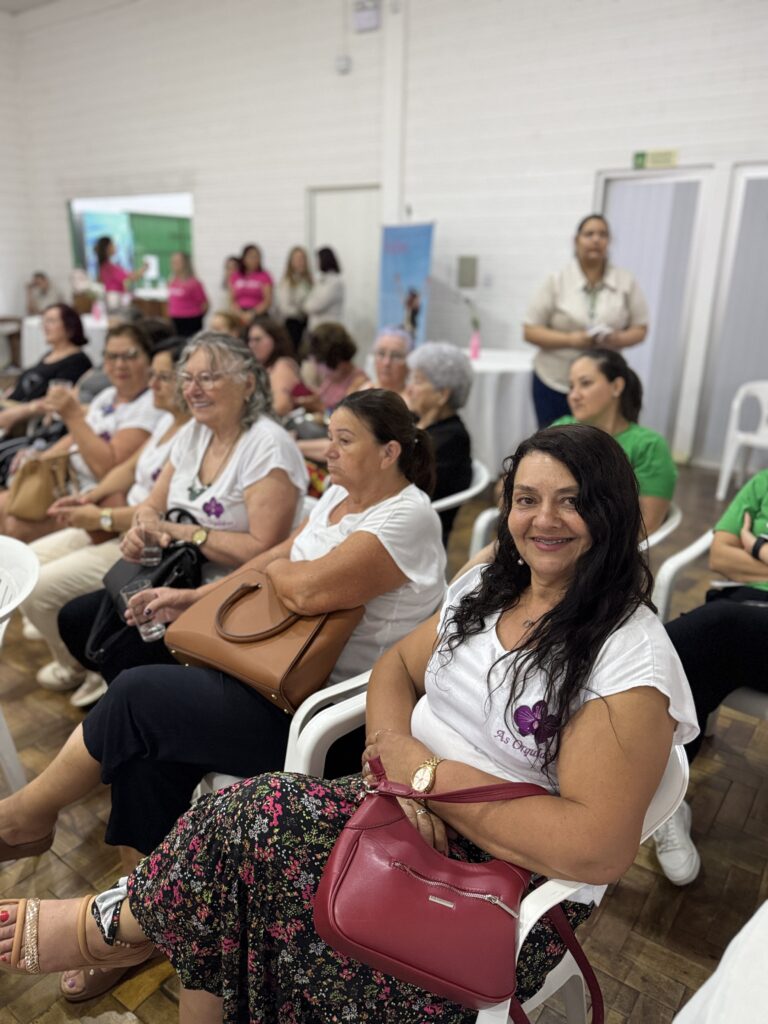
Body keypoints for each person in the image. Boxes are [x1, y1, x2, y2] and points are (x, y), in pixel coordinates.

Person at [0, 424, 699, 1024]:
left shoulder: (626, 658)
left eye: (572, 501)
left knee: (250, 829)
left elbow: (594, 850)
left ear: (611, 512)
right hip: (398, 810)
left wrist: (425, 779)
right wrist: (393, 751)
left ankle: (110, 925)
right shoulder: (493, 586)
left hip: (501, 889)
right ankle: (120, 925)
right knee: (237, 840)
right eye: (527, 499)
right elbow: (395, 667)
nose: (544, 519)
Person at [56, 331, 309, 690]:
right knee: (75, 621)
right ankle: (132, 706)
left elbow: (263, 549)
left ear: (248, 384)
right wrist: (143, 530)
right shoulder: (194, 431)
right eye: (187, 378)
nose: (192, 390)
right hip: (172, 571)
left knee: (123, 654)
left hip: (230, 592)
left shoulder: (267, 446)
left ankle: (139, 709)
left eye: (207, 378)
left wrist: (182, 532)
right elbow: (151, 505)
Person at [20, 337, 191, 706]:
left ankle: (88, 664)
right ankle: (75, 660)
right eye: (154, 375)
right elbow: (126, 469)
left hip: (139, 538)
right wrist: (89, 498)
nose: (153, 384)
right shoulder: (167, 420)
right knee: (28, 564)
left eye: (163, 377)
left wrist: (98, 514)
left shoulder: (190, 432)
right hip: (117, 521)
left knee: (39, 589)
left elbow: (162, 511)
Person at [654, 468, 768, 886]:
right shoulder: (762, 483)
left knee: (704, 634)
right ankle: (666, 802)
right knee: (694, 661)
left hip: (733, 620)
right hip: (743, 609)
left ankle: (652, 793)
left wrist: (754, 545)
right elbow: (720, 556)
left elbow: (732, 556)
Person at [0, 322, 163, 543]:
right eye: (112, 356)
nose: (119, 364)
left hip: (94, 495)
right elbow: (75, 437)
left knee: (12, 526)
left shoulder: (149, 405)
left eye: (130, 356)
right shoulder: (107, 395)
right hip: (64, 479)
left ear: (148, 360)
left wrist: (72, 415)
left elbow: (107, 468)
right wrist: (39, 459)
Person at [524, 214, 649, 427]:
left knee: (599, 442)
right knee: (556, 441)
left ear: (609, 241)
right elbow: (530, 330)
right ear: (576, 240)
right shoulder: (556, 280)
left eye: (602, 234)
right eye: (589, 234)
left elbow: (640, 328)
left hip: (602, 387)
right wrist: (572, 340)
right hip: (555, 381)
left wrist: (616, 339)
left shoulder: (625, 281)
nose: (596, 240)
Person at [552, 348, 676, 536]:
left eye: (585, 383)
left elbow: (646, 525)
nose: (574, 396)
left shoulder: (648, 446)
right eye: (571, 387)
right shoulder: (561, 428)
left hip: (602, 546)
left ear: (616, 386)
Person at [405, 340, 473, 544]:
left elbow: (408, 485)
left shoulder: (452, 438)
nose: (409, 389)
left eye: (418, 381)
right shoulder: (414, 420)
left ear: (442, 394)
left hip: (417, 533)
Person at [0, 304, 91, 437]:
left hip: (23, 422)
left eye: (51, 321)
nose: (45, 327)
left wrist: (19, 412)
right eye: (44, 322)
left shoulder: (76, 362)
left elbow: (57, 399)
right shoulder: (49, 355)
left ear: (70, 326)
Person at [245, 317, 301, 417]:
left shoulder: (282, 365)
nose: (252, 345)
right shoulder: (258, 368)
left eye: (258, 340)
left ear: (275, 340)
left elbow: (281, 406)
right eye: (250, 340)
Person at [275, 245, 313, 352]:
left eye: (302, 259)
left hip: (307, 322)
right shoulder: (286, 282)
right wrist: (302, 311)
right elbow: (285, 308)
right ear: (291, 262)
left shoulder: (309, 281)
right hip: (292, 323)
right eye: (297, 259)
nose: (300, 262)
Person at [228, 244, 273, 324]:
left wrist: (252, 313)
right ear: (244, 258)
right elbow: (231, 301)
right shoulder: (235, 276)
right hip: (238, 313)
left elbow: (267, 301)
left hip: (258, 314)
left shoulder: (265, 276)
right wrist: (240, 314)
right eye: (250, 257)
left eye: (256, 257)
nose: (253, 259)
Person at [166, 252, 208, 336]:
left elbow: (205, 304)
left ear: (185, 263)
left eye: (178, 262)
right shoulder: (172, 281)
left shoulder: (194, 283)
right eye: (173, 262)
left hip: (191, 320)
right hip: (175, 319)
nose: (174, 264)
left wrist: (196, 317)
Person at [303, 246, 344, 329]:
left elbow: (316, 305)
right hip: (317, 327)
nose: (316, 264)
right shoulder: (321, 280)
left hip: (328, 327)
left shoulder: (334, 283)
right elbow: (310, 301)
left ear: (324, 260)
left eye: (317, 260)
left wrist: (306, 305)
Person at [369, 326, 412, 396]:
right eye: (381, 353)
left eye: (396, 356)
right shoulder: (362, 394)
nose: (386, 362)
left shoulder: (416, 399)